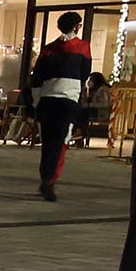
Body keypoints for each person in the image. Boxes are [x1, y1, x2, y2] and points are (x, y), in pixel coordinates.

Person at [28, 12, 90, 199]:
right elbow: (84, 74)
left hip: (46, 99)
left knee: (47, 142)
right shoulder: (83, 48)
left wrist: (37, 100)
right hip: (68, 99)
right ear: (76, 26)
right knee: (61, 142)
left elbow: (36, 77)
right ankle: (50, 180)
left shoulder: (48, 50)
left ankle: (45, 178)